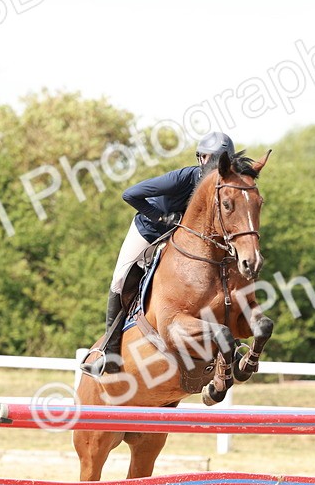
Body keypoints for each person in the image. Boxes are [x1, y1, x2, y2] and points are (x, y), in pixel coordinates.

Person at [81, 131, 236, 376]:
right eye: (214, 160)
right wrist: (162, 217)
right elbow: (130, 194)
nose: (219, 167)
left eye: (223, 161)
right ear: (202, 160)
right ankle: (108, 353)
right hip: (149, 230)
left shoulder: (220, 188)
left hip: (179, 239)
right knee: (119, 280)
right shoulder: (185, 178)